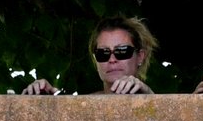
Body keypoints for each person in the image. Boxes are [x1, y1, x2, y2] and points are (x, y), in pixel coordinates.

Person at [22, 16, 158, 95]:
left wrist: (147, 96)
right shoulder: (80, 107)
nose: (112, 59)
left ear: (140, 56)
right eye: (103, 53)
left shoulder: (151, 97)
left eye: (121, 51)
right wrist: (42, 100)